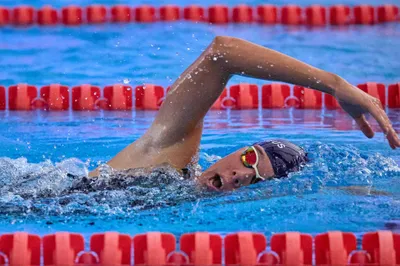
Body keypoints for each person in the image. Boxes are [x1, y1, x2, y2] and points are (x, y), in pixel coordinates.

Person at [89, 36, 400, 191]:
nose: (241, 175)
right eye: (249, 159)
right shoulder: (168, 158)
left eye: (256, 179)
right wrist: (333, 84)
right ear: (239, 149)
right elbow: (221, 53)